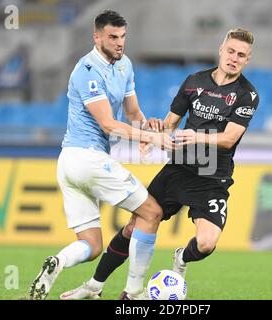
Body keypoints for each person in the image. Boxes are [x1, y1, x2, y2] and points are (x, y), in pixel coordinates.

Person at [59, 28, 259, 300]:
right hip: (178, 169)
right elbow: (170, 123)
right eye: (232, 51)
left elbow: (229, 139)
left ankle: (181, 258)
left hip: (212, 175)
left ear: (247, 60)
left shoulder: (247, 94)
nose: (234, 58)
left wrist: (196, 136)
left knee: (206, 243)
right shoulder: (193, 82)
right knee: (134, 226)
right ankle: (95, 285)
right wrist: (154, 133)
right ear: (221, 49)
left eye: (242, 55)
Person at [28, 10, 173, 300]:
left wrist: (146, 127)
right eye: (113, 37)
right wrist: (150, 137)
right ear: (97, 37)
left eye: (123, 37)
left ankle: (57, 262)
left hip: (70, 163)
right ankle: (133, 293)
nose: (120, 43)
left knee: (92, 246)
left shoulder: (124, 65)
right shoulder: (87, 71)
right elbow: (107, 123)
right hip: (87, 159)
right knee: (152, 212)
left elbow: (132, 113)